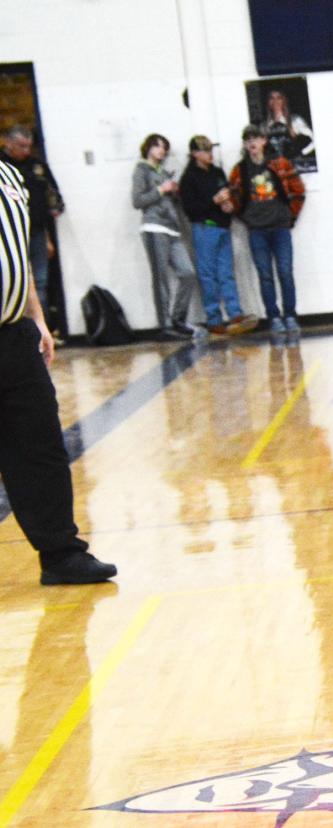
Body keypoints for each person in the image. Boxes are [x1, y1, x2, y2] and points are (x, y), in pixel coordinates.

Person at [0, 159, 117, 585]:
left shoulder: (10, 176)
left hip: (13, 334)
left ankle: (61, 555)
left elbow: (16, 254)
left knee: (40, 446)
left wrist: (36, 316)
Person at [228, 125, 306, 338]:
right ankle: (274, 317)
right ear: (245, 144)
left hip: (280, 228)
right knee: (265, 275)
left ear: (264, 141)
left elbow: (298, 191)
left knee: (285, 271)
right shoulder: (239, 170)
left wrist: (290, 216)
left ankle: (290, 314)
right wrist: (245, 217)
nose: (252, 143)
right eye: (248, 140)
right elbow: (234, 199)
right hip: (257, 231)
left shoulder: (280, 163)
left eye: (256, 138)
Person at [179, 136, 258, 337]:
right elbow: (190, 210)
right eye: (205, 151)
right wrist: (213, 201)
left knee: (226, 272)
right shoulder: (189, 178)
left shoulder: (217, 172)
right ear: (195, 154)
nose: (209, 155)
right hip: (205, 227)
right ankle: (213, 318)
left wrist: (228, 205)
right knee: (208, 275)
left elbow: (227, 194)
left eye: (210, 150)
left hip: (223, 226)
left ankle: (234, 313)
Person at [130, 133, 199, 339]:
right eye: (157, 146)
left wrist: (174, 192)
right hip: (154, 227)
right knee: (160, 277)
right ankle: (165, 324)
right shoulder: (141, 170)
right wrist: (161, 189)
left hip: (172, 227)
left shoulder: (163, 171)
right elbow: (137, 200)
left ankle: (178, 317)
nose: (161, 150)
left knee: (187, 273)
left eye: (164, 147)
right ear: (148, 148)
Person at [0, 126, 63, 323]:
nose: (26, 151)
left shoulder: (37, 165)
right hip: (8, 235)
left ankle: (40, 328)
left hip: (36, 232)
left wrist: (48, 237)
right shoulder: (3, 167)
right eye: (21, 146)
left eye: (29, 146)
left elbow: (53, 197)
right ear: (8, 143)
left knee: (40, 282)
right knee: (13, 279)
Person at [261, 89, 314, 163]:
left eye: (279, 98)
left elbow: (314, 140)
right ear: (268, 102)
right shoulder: (264, 126)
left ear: (284, 101)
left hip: (294, 165)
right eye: (271, 98)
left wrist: (302, 153)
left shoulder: (295, 120)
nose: (275, 101)